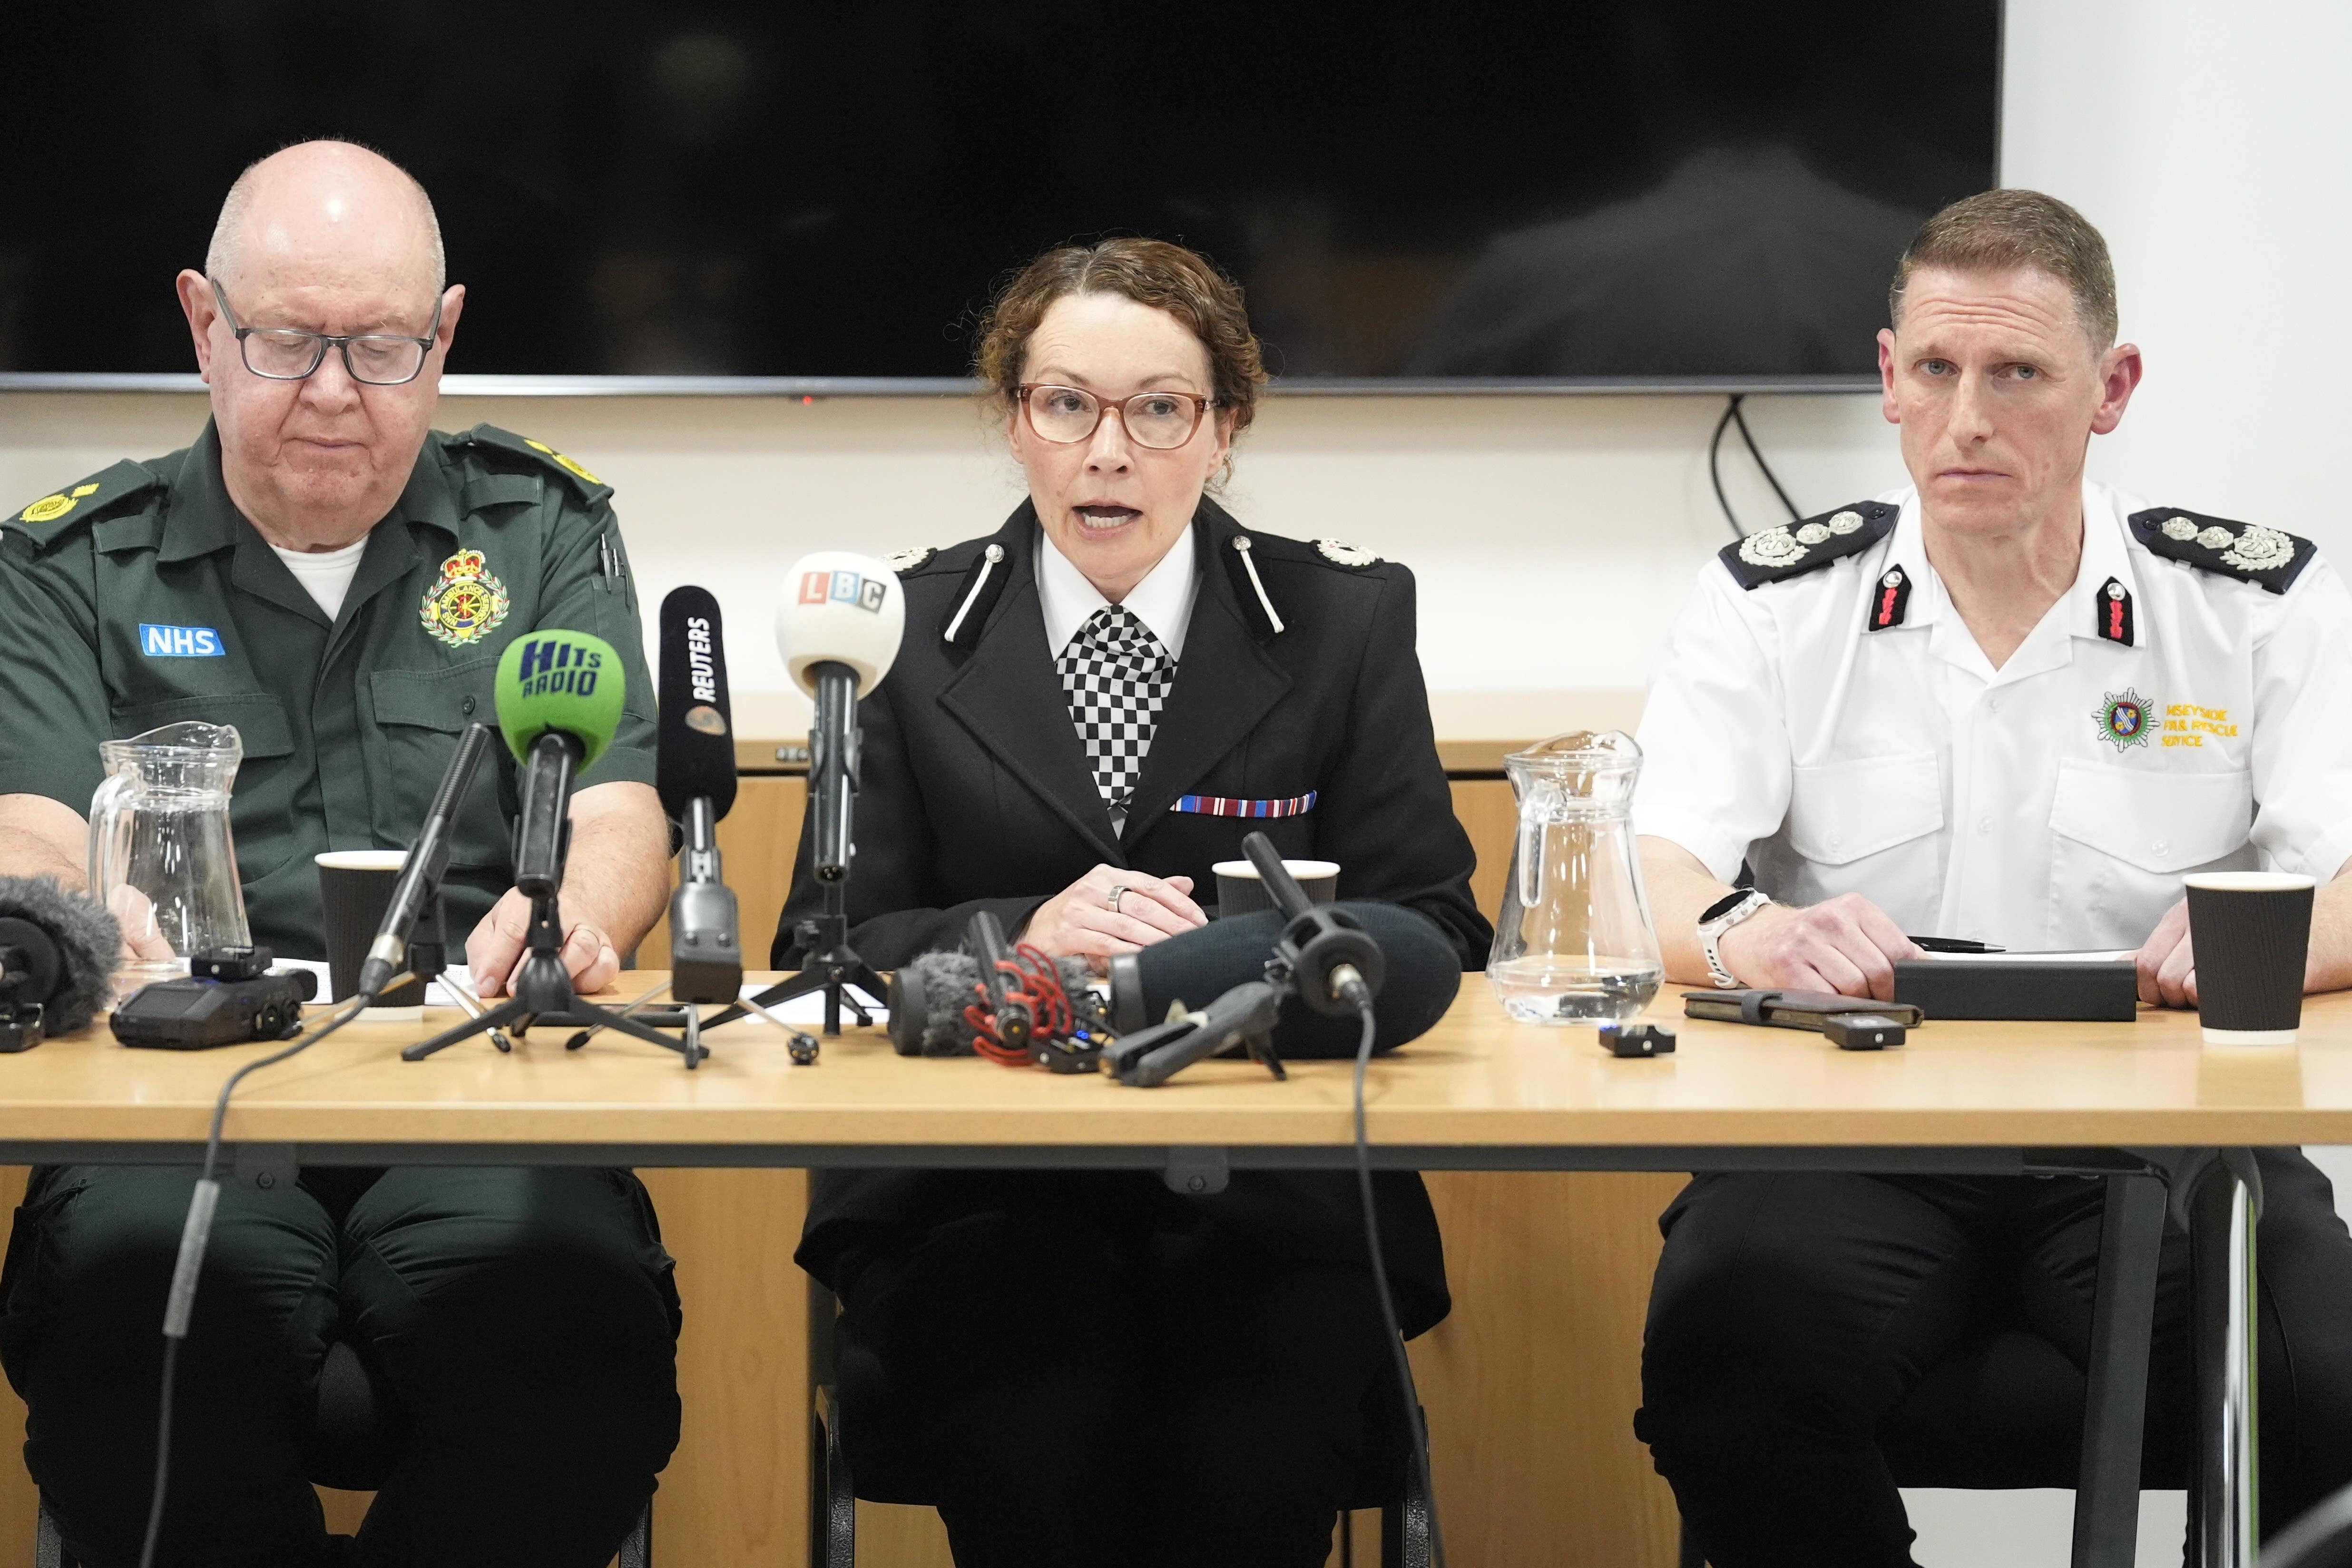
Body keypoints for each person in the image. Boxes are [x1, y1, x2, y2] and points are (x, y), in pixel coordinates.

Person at [1629, 188, 2352, 1563]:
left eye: (2019, 372)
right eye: (1941, 370)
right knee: (1728, 1356)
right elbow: (1650, 871)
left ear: (2111, 389)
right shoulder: (1778, 608)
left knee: (2327, 1383)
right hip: (1848, 1135)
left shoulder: (2249, 609)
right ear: (1890, 379)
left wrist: (2273, 944)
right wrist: (1756, 937)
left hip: (2171, 1140)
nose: (1971, 417)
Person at [0, 142, 680, 1567]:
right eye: (286, 340)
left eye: (377, 346)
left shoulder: (542, 529)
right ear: (202, 326)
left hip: (477, 1092)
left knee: (568, 1366)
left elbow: (619, 805)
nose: (329, 390)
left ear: (442, 340)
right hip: (171, 1111)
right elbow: (31, 823)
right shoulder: (73, 563)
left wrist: (576, 924)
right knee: (146, 1351)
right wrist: (83, 911)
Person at [773, 237, 1490, 1567]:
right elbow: (825, 953)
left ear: (1225, 430)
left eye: (1159, 408)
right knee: (1035, 1425)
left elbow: (1439, 928)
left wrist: (1218, 966)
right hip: (973, 1201)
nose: (1111, 452)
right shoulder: (899, 634)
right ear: (1015, 423)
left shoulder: (1341, 622)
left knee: (1249, 1445)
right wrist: (1023, 939)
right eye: (1066, 405)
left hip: (1273, 1203)